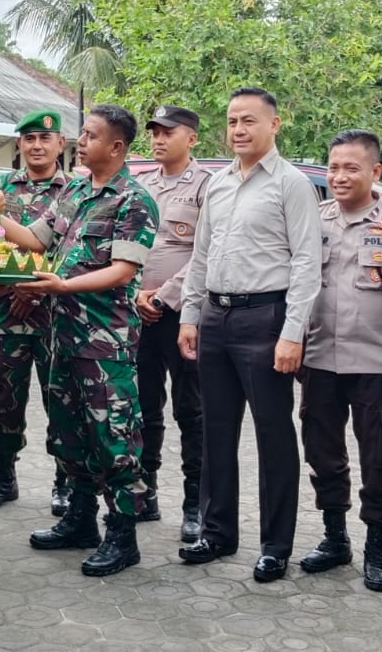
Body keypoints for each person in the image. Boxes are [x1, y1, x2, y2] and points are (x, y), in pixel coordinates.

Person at [0, 104, 159, 577]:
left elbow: (124, 271)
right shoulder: (74, 191)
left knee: (113, 436)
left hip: (103, 345)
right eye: (82, 134)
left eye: (89, 136)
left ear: (116, 146)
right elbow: (33, 238)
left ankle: (123, 536)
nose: (80, 142)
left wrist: (62, 286)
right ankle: (80, 519)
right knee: (68, 433)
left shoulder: (133, 199)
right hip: (60, 338)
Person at [177, 87, 322, 582]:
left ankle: (275, 544)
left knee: (273, 435)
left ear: (275, 125)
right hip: (216, 318)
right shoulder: (217, 184)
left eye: (249, 121)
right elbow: (200, 256)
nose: (238, 129)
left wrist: (292, 333)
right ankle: (217, 533)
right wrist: (189, 317)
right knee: (215, 430)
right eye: (232, 120)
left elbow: (307, 263)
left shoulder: (292, 184)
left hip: (266, 319)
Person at [297, 129, 382, 592]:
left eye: (352, 168)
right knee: (323, 454)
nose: (340, 176)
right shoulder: (314, 220)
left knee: (376, 460)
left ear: (376, 172)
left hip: (377, 362)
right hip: (319, 359)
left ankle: (376, 548)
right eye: (333, 168)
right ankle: (335, 538)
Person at [0, 109, 70, 515]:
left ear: (60, 144)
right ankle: (3, 476)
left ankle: (64, 481)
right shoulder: (0, 189)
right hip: (7, 318)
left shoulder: (75, 191)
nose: (37, 145)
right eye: (29, 139)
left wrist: (32, 292)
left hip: (55, 317)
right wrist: (8, 287)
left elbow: (69, 251)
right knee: (5, 400)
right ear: (20, 145)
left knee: (61, 402)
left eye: (45, 139)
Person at [133, 105, 211, 542]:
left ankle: (194, 505)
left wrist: (163, 296)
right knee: (144, 408)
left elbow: (205, 253)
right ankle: (144, 493)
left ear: (192, 139)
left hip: (184, 317)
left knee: (191, 411)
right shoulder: (140, 184)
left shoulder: (206, 187)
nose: (159, 139)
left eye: (168, 132)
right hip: (139, 312)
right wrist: (136, 295)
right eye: (154, 132)